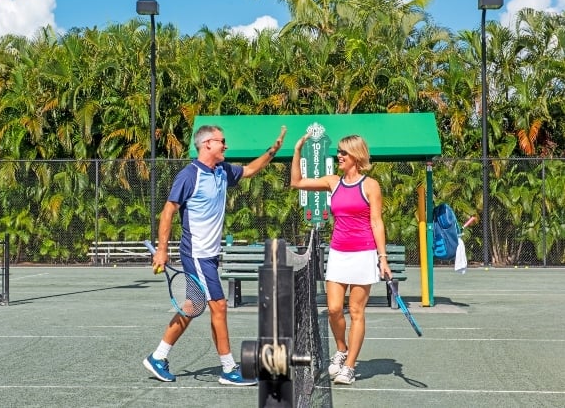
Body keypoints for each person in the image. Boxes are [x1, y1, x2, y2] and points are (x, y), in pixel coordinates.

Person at [143, 124, 287, 386]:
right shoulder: (189, 176)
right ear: (207, 143)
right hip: (196, 254)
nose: (226, 145)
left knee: (192, 306)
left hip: (210, 255)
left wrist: (272, 151)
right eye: (222, 141)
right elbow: (168, 211)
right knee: (219, 306)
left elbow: (250, 170)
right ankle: (229, 369)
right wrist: (161, 250)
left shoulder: (222, 171)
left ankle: (158, 357)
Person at [290, 133, 391, 385]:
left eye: (343, 152)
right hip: (338, 254)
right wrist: (297, 150)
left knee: (356, 311)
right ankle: (342, 349)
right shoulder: (333, 182)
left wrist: (382, 257)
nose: (339, 156)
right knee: (334, 309)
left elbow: (377, 222)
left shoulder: (371, 186)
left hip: (364, 254)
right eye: (339, 152)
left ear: (356, 155)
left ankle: (349, 366)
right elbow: (296, 182)